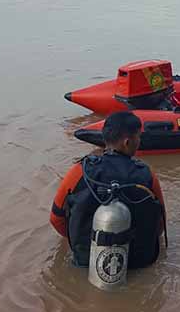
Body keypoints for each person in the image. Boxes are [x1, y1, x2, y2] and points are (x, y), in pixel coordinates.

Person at [50, 112, 167, 268]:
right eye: (138, 137)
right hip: (139, 263)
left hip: (88, 262)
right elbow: (160, 224)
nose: (139, 141)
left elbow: (56, 219)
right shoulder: (147, 175)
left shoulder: (79, 171)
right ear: (127, 142)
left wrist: (78, 241)